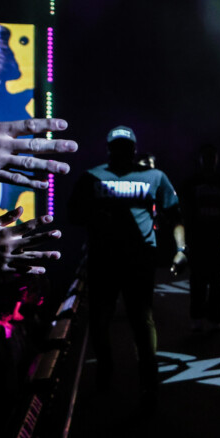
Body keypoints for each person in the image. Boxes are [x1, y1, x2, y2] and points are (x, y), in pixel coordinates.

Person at [68, 126, 186, 405]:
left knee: (141, 321)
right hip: (104, 259)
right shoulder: (91, 177)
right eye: (116, 146)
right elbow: (73, 214)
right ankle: (106, 367)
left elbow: (174, 215)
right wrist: (97, 217)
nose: (121, 151)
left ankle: (148, 382)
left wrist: (181, 249)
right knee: (101, 321)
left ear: (133, 149)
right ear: (109, 149)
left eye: (125, 147)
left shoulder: (154, 177)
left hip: (138, 260)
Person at [183, 143, 220, 333]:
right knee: (198, 282)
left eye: (212, 157)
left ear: (216, 159)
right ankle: (197, 317)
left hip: (218, 241)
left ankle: (214, 319)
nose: (209, 160)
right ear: (200, 159)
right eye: (206, 157)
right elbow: (185, 212)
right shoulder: (191, 183)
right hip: (198, 241)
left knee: (216, 283)